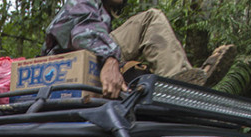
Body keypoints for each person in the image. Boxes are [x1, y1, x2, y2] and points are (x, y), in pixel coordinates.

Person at [41, 0, 237, 99]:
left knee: (137, 68)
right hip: (65, 65)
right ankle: (178, 83)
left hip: (88, 59)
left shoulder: (104, 15)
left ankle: (179, 81)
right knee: (150, 19)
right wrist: (111, 60)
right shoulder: (83, 2)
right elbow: (82, 34)